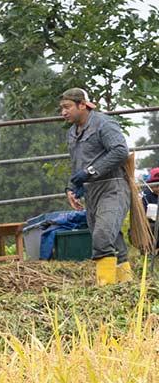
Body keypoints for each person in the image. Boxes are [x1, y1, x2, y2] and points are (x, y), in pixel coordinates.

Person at [61, 87, 132, 284]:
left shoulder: (104, 124)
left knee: (102, 236)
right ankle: (125, 286)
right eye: (62, 108)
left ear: (82, 105)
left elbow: (120, 151)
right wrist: (70, 188)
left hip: (112, 188)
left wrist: (91, 171)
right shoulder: (71, 133)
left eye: (67, 107)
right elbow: (76, 163)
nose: (63, 113)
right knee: (113, 239)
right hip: (91, 193)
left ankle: (106, 289)